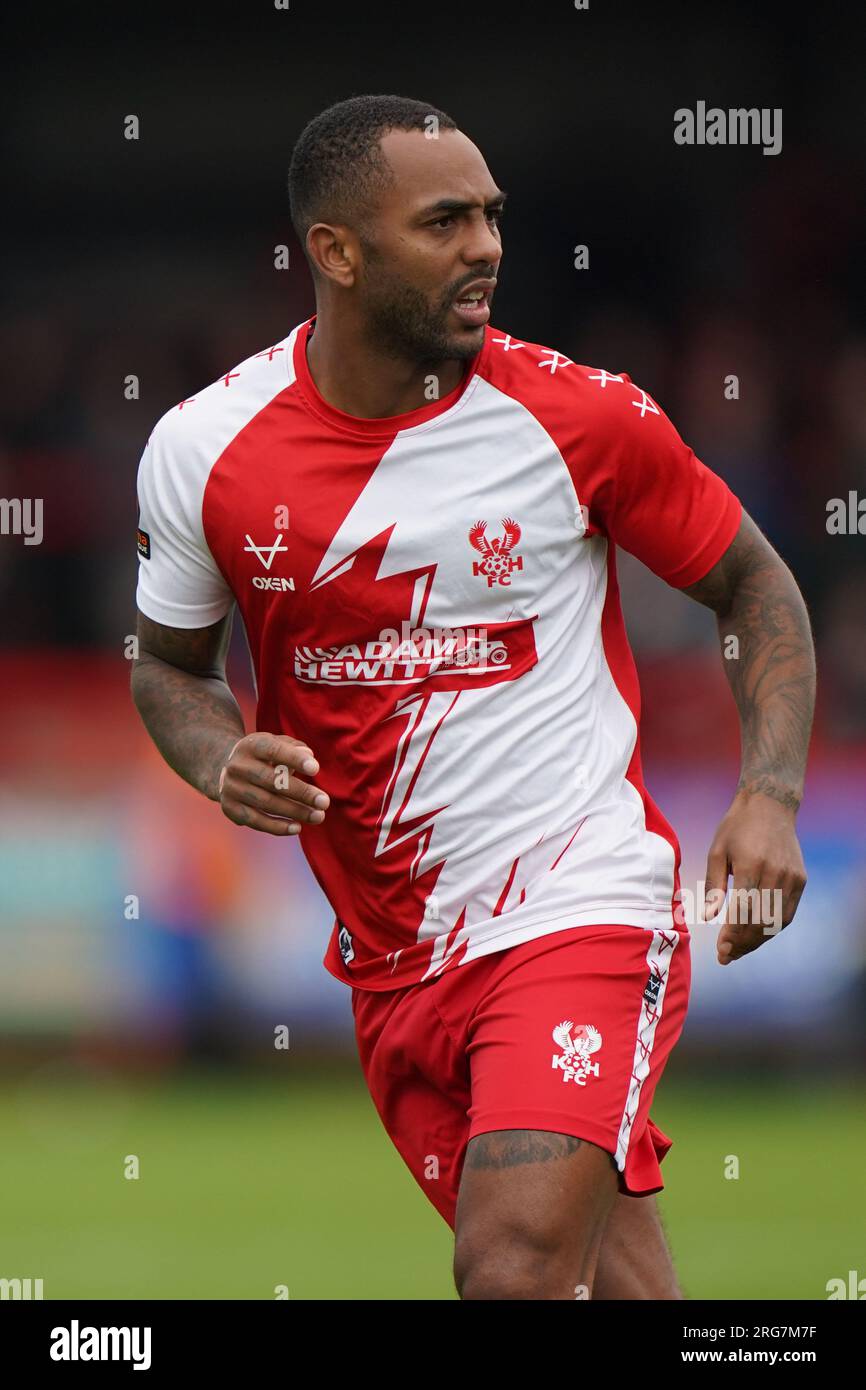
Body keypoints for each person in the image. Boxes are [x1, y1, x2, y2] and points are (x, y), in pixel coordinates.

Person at [131, 94, 815, 1300]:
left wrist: (766, 794)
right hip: (393, 957)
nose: (486, 246)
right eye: (444, 221)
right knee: (609, 1284)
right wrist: (217, 755)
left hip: (577, 900)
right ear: (335, 251)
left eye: (491, 217)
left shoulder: (580, 416)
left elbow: (754, 585)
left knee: (509, 1266)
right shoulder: (204, 449)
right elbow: (167, 666)